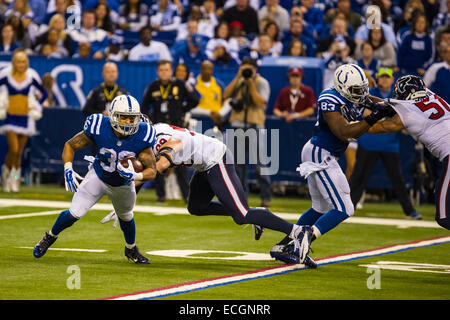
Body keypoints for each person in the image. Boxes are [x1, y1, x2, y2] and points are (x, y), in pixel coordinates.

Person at [101, 121, 317, 267]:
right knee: (196, 207)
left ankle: (298, 231)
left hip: (216, 158)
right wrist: (123, 203)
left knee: (241, 215)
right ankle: (256, 213)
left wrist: (138, 175)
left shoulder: (158, 139)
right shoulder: (152, 132)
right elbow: (147, 170)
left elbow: (163, 160)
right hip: (203, 165)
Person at [270, 63, 394, 264]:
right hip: (321, 153)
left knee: (319, 207)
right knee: (345, 207)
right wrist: (373, 117)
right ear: (342, 87)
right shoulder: (329, 98)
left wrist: (395, 106)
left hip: (323, 152)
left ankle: (285, 246)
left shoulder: (354, 95)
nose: (361, 93)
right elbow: (343, 132)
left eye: (363, 88)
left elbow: (378, 103)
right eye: (357, 90)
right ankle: (305, 238)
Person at [33, 95, 158, 263]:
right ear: (113, 115)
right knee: (73, 214)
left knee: (126, 217)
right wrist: (68, 168)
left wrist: (135, 176)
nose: (128, 122)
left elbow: (152, 171)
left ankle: (131, 249)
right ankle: (49, 237)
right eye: (124, 117)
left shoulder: (144, 133)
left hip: (122, 184)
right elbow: (70, 145)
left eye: (132, 118)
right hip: (98, 177)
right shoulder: (99, 125)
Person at [367, 75, 450, 230]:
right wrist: (365, 98)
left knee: (444, 218)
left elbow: (378, 127)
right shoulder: (431, 95)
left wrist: (351, 126)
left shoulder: (408, 114)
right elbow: (389, 106)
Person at [349, 67, 422, 219]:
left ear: (392, 79)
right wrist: (392, 119)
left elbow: (402, 120)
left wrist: (389, 119)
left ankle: (410, 211)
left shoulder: (397, 96)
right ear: (378, 78)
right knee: (358, 178)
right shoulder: (371, 94)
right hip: (369, 142)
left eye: (387, 77)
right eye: (382, 77)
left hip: (390, 145)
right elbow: (367, 115)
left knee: (398, 180)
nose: (384, 79)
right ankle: (347, 208)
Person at [141, 60, 199, 202]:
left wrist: (181, 111)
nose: (164, 73)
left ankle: (187, 196)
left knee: (181, 163)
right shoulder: (152, 87)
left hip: (176, 130)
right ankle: (161, 195)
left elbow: (195, 99)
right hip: (159, 130)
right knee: (157, 161)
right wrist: (151, 121)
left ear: (171, 70)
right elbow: (144, 107)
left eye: (167, 70)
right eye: (161, 70)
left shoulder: (180, 84)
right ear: (157, 72)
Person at [223, 57, 272, 207]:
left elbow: (259, 102)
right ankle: (241, 196)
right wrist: (238, 77)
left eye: (248, 69)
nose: (246, 72)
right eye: (243, 68)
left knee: (260, 164)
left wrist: (250, 83)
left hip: (254, 126)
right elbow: (226, 95)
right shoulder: (238, 82)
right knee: (237, 165)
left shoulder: (261, 82)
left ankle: (266, 197)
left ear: (255, 70)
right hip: (237, 125)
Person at [0, 49, 48, 193]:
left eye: (23, 62)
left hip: (26, 119)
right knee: (13, 149)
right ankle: (6, 175)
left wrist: (36, 105)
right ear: (14, 63)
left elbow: (44, 93)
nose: (21, 64)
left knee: (19, 152)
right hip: (10, 117)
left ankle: (14, 178)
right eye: (18, 62)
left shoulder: (30, 78)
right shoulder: (7, 77)